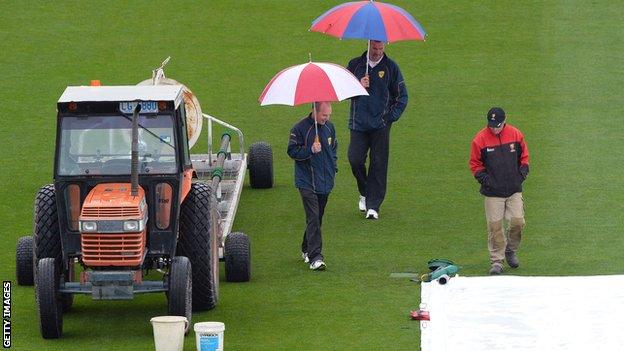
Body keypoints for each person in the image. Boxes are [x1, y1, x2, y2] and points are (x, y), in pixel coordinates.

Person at [347, 40, 408, 220]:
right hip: (358, 123)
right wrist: (359, 85)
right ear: (368, 46)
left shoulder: (391, 68)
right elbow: (343, 92)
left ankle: (373, 206)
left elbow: (402, 97)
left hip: (380, 125)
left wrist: (389, 117)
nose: (377, 52)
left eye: (381, 48)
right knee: (355, 159)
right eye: (374, 48)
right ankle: (364, 192)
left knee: (378, 164)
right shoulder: (355, 65)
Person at [469, 107, 530, 275]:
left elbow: (524, 157)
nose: (494, 128)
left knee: (518, 221)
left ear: (504, 121)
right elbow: (475, 164)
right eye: (491, 125)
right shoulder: (480, 139)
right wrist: (486, 181)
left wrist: (521, 175)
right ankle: (497, 261)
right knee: (495, 227)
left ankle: (510, 250)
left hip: (513, 189)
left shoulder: (516, 135)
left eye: (497, 125)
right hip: (492, 193)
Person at [287, 102, 337, 271]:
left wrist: (333, 168)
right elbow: (292, 151)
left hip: (325, 181)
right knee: (314, 216)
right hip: (306, 181)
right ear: (315, 112)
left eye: (328, 115)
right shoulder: (299, 129)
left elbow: (333, 149)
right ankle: (316, 257)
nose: (327, 118)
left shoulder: (330, 128)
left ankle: (306, 247)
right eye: (324, 115)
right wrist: (310, 150)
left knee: (317, 217)